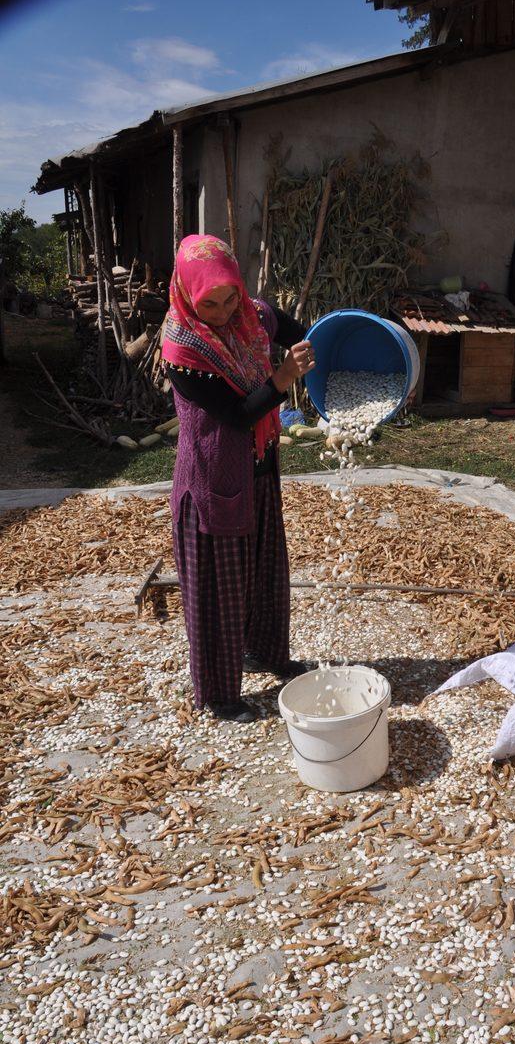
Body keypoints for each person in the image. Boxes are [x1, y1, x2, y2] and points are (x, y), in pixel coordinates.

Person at [161, 233, 315, 723]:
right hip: (213, 480)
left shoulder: (255, 314)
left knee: (265, 570)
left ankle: (267, 653)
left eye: (232, 296)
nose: (226, 309)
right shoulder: (182, 348)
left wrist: (320, 348)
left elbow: (301, 330)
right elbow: (236, 414)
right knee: (218, 589)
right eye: (212, 302)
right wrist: (282, 381)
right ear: (188, 295)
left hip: (259, 468)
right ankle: (219, 694)